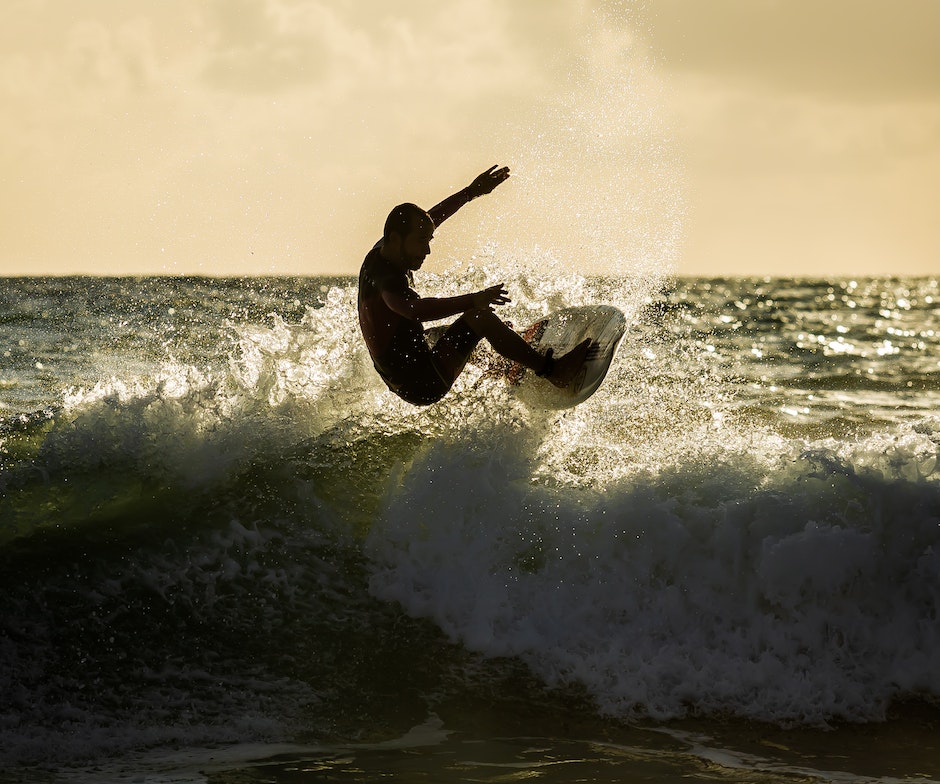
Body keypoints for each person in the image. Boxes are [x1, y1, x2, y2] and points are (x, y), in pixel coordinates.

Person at [357, 164, 591, 406]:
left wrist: (470, 192)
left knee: (440, 334)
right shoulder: (387, 280)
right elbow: (414, 310)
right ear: (396, 239)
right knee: (480, 318)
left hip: (404, 375)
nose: (427, 250)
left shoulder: (382, 252)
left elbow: (432, 218)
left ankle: (505, 364)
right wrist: (473, 299)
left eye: (428, 240)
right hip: (422, 382)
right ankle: (553, 371)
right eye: (421, 242)